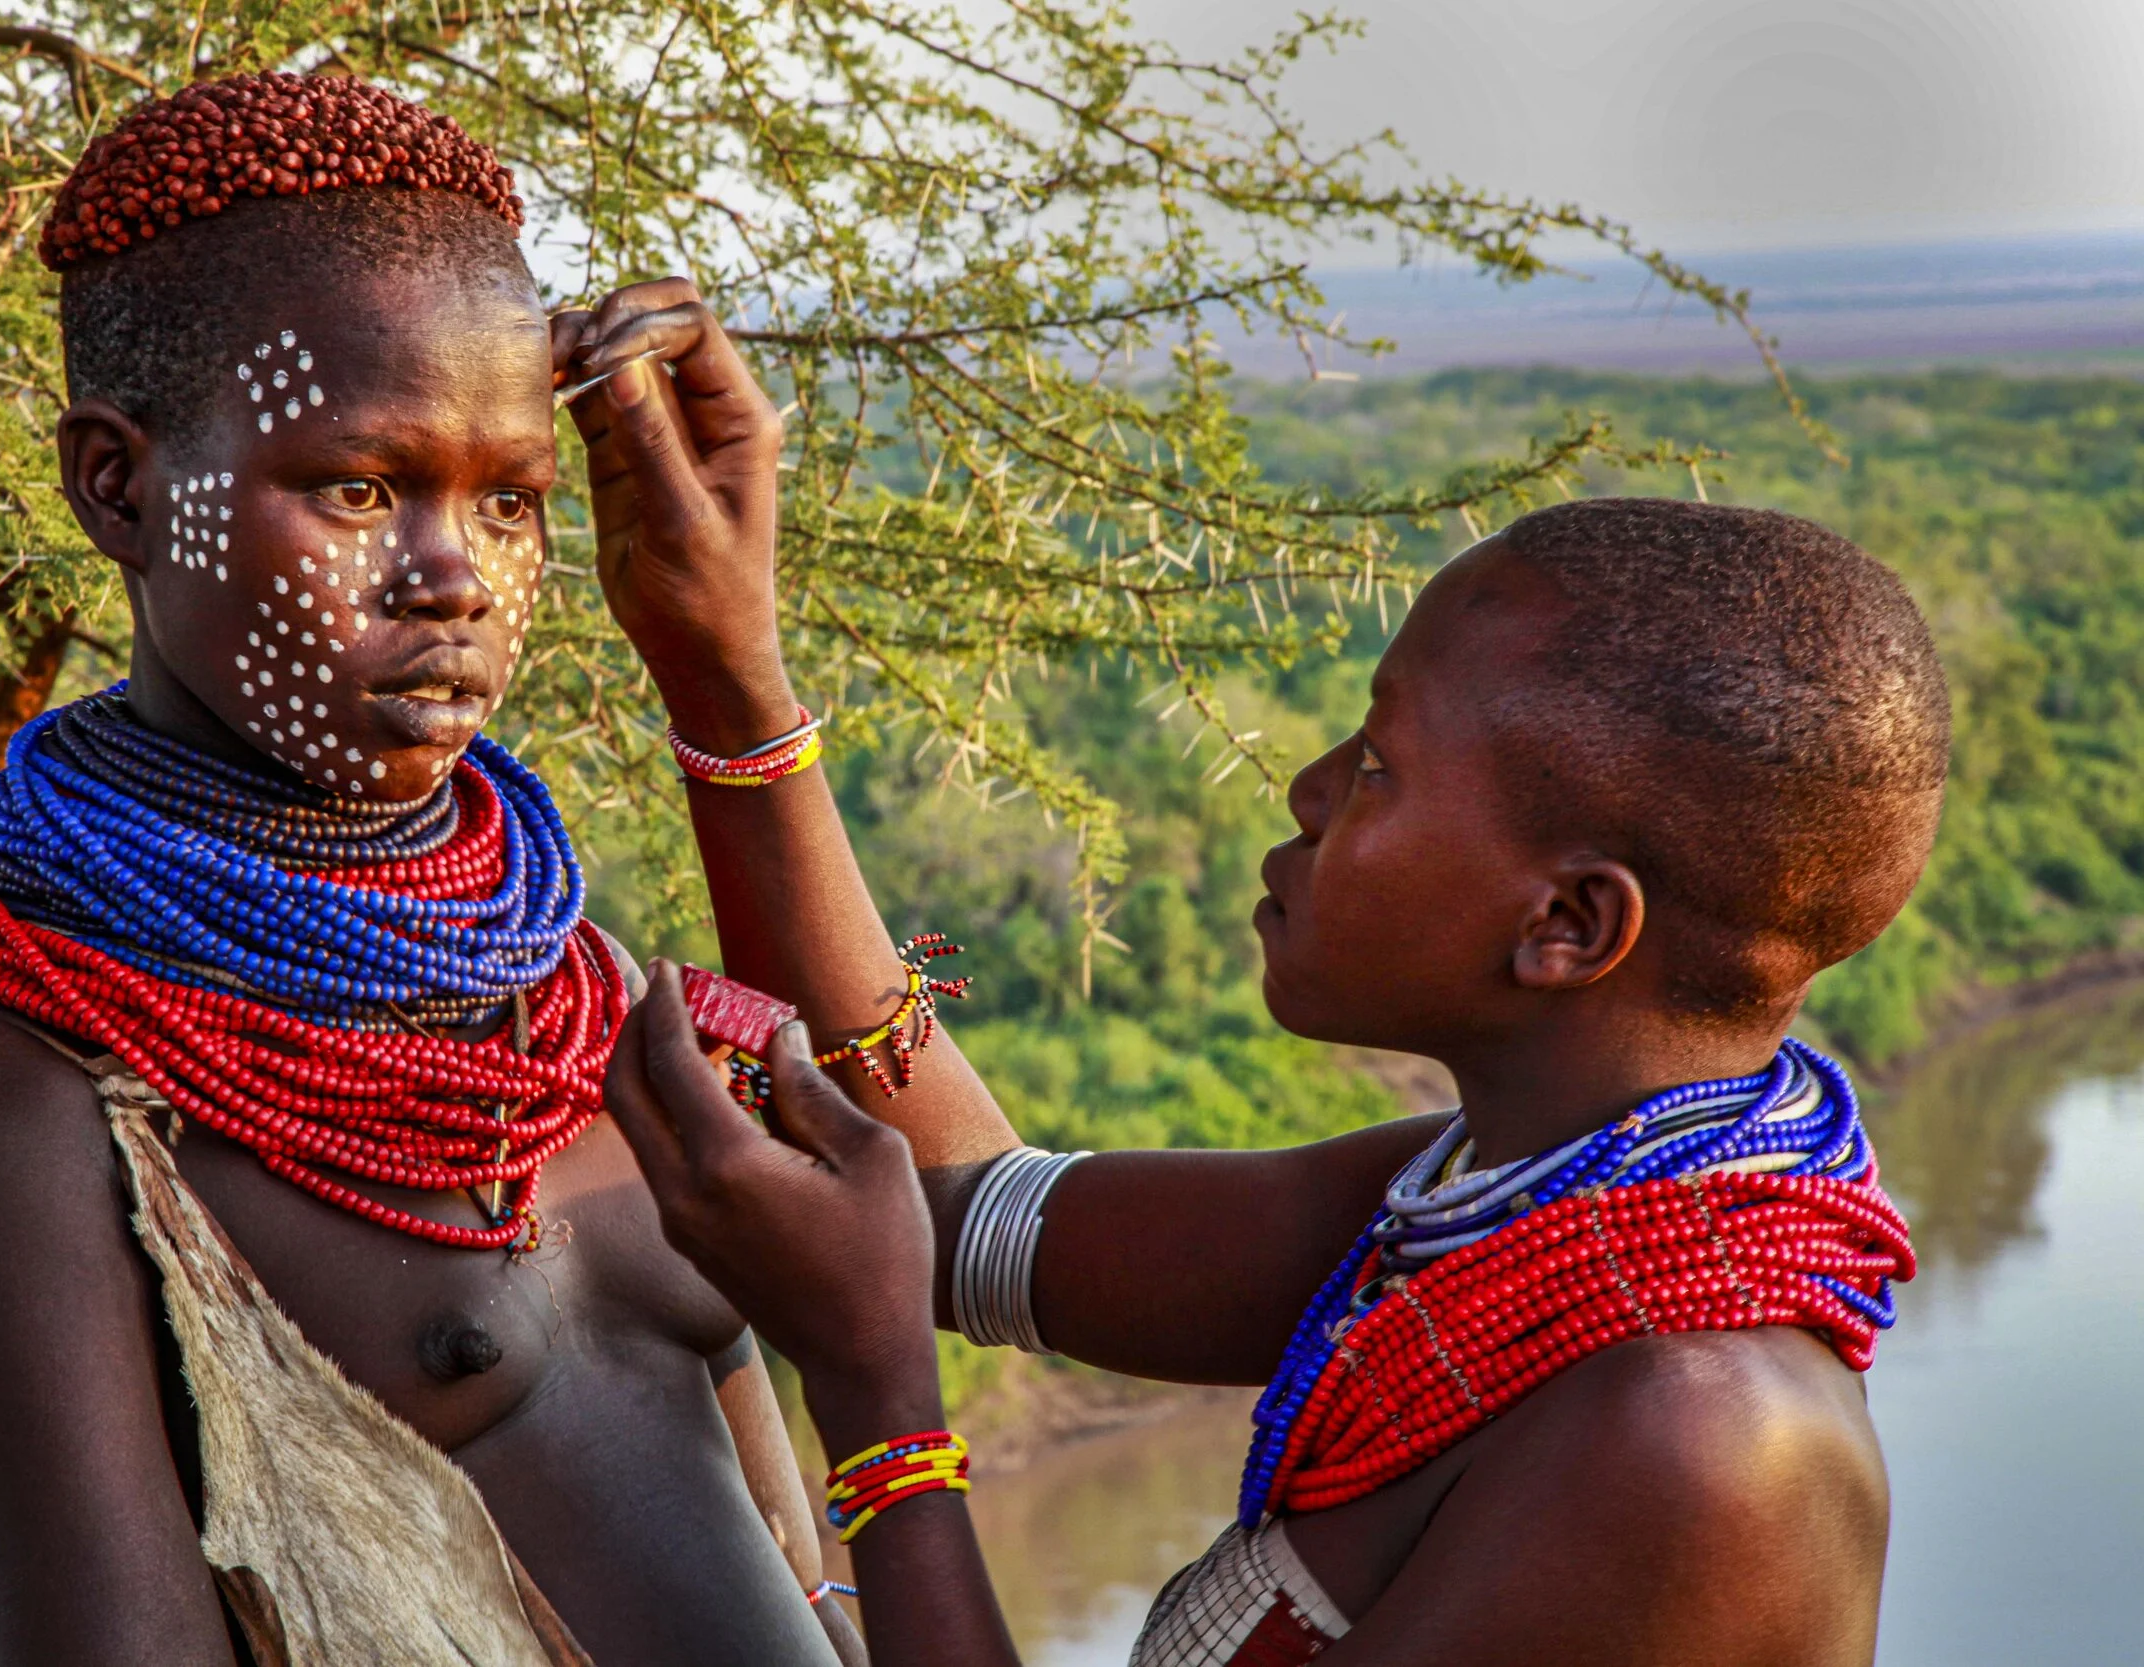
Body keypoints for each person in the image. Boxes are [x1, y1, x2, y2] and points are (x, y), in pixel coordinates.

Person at [588, 480, 1946, 1664]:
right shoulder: (1487, 1207)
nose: (1305, 786)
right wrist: (727, 673)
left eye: (1376, 766)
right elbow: (959, 1219)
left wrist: (877, 1403)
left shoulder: (1691, 1449)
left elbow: (889, 1283)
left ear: (1568, 926)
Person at [0, 73, 868, 1667]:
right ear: (116, 485)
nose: (454, 576)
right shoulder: (28, 1124)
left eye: (512, 501)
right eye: (357, 487)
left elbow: (977, 1253)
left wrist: (732, 665)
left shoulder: (577, 988)